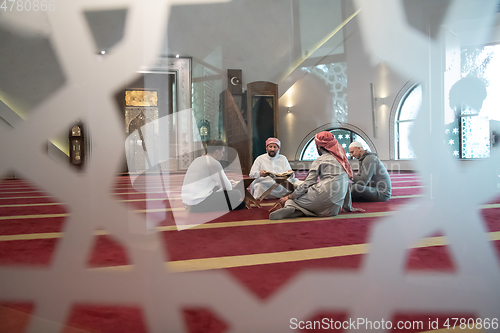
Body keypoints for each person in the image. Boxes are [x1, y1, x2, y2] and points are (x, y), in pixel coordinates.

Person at [269, 131, 363, 220]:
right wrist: (348, 207)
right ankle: (301, 211)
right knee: (311, 201)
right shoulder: (343, 161)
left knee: (293, 199)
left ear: (319, 146)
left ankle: (291, 206)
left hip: (321, 197)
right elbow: (346, 184)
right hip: (335, 208)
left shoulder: (319, 160)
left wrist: (289, 197)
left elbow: (308, 183)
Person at [181, 140, 244, 212]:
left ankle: (224, 205)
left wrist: (222, 185)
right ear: (217, 152)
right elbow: (228, 187)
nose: (223, 155)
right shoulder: (214, 163)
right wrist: (224, 188)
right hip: (198, 204)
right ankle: (223, 207)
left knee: (216, 188)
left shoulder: (197, 159)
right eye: (222, 152)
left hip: (187, 203)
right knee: (236, 194)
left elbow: (205, 180)